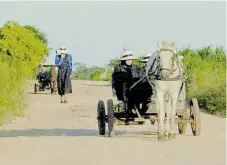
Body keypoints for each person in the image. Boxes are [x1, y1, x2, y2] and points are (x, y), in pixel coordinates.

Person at [112, 49, 153, 114]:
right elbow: (117, 78)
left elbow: (142, 76)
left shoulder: (137, 68)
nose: (129, 61)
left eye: (130, 59)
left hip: (137, 89)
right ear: (124, 60)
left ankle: (143, 108)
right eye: (127, 59)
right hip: (123, 89)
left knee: (147, 87)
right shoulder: (118, 67)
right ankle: (128, 108)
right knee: (125, 87)